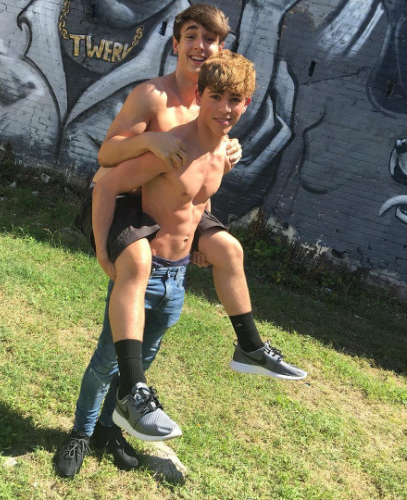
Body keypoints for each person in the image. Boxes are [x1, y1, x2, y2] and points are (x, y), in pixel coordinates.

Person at [85, 3, 306, 413]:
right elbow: (107, 156)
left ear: (222, 49)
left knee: (229, 249)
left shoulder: (215, 104)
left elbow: (196, 185)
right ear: (176, 44)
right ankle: (91, 425)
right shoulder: (154, 96)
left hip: (175, 211)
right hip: (131, 204)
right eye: (191, 37)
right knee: (125, 306)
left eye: (211, 39)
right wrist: (150, 140)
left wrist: (198, 231)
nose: (201, 46)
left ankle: (250, 345)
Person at [55, 48, 257, 479]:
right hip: (141, 269)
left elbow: (196, 198)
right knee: (107, 361)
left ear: (245, 103)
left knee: (139, 367)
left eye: (234, 100)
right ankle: (81, 433)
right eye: (216, 97)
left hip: (177, 275)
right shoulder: (168, 134)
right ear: (201, 95)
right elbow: (106, 180)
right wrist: (103, 249)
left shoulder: (218, 147)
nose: (224, 108)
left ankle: (110, 430)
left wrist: (201, 239)